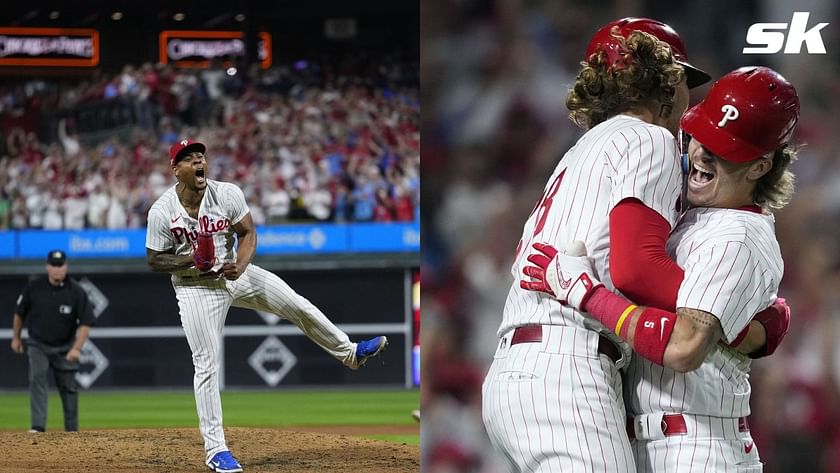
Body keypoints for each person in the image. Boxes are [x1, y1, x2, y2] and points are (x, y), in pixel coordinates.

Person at [521, 66, 798, 472]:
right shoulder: (694, 216)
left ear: (759, 166)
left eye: (726, 148)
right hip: (657, 442)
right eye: (703, 134)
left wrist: (585, 293)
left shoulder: (739, 233)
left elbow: (684, 348)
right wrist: (749, 330)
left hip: (700, 448)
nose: (703, 151)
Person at [480, 17, 712, 473]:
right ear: (661, 80)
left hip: (526, 368)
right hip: (566, 368)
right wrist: (724, 309)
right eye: (683, 79)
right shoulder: (649, 138)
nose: (688, 95)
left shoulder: (584, 148)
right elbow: (636, 267)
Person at [145, 139, 389, 473]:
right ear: (176, 169)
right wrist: (189, 260)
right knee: (206, 365)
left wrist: (241, 265)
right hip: (196, 288)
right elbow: (154, 260)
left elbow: (248, 232)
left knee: (296, 304)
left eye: (201, 156)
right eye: (189, 159)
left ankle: (349, 352)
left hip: (234, 272)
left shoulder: (227, 193)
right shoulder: (162, 210)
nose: (199, 162)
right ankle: (216, 451)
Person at [10, 249, 95, 433]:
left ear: (66, 266)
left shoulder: (76, 291)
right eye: (54, 265)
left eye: (61, 265)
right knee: (37, 379)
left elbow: (86, 322)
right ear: (47, 267)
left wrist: (77, 349)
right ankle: (37, 427)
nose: (57, 269)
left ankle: (72, 431)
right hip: (38, 344)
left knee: (69, 388)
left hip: (65, 347)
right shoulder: (34, 287)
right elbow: (19, 313)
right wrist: (16, 337)